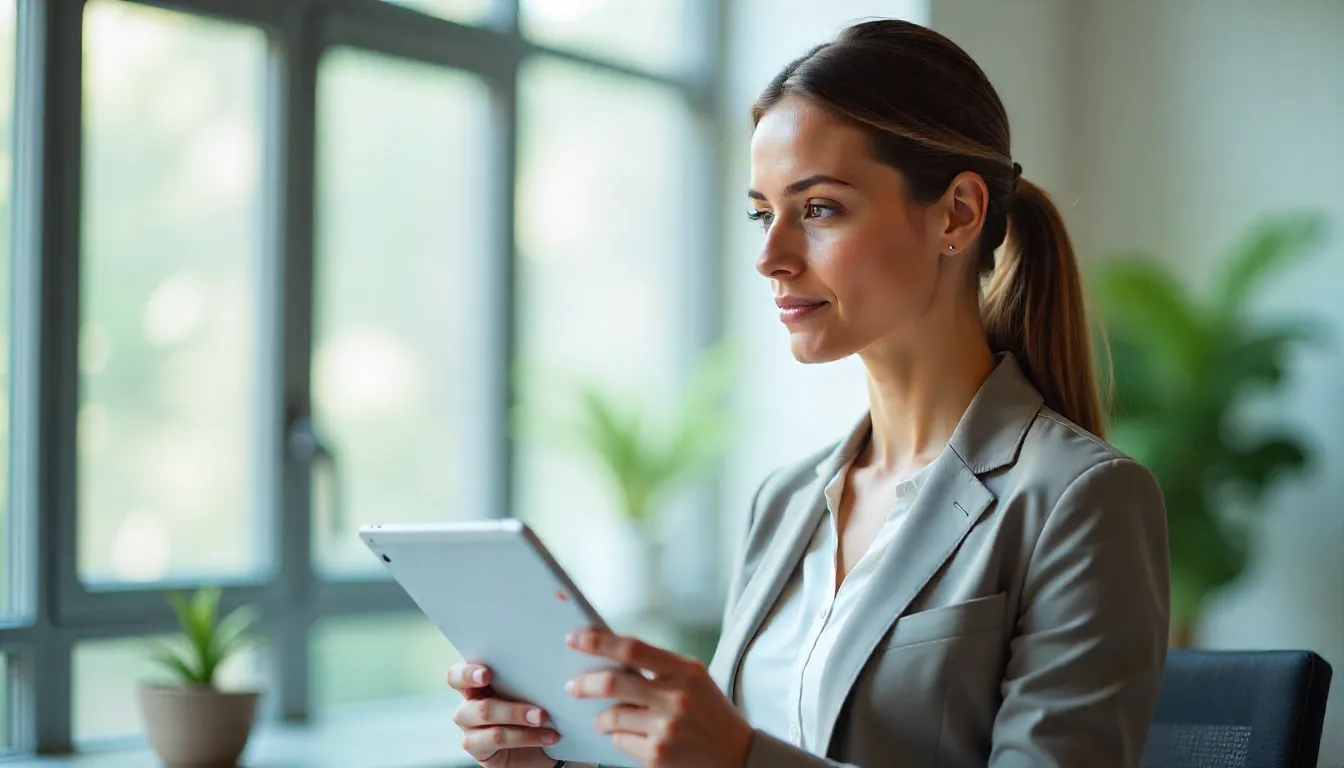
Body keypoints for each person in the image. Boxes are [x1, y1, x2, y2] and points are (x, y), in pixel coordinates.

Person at [447, 17, 1170, 768]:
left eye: (818, 209)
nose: (770, 257)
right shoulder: (785, 502)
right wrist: (553, 757)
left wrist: (743, 759)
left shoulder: (1081, 499)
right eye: (762, 213)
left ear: (957, 213)